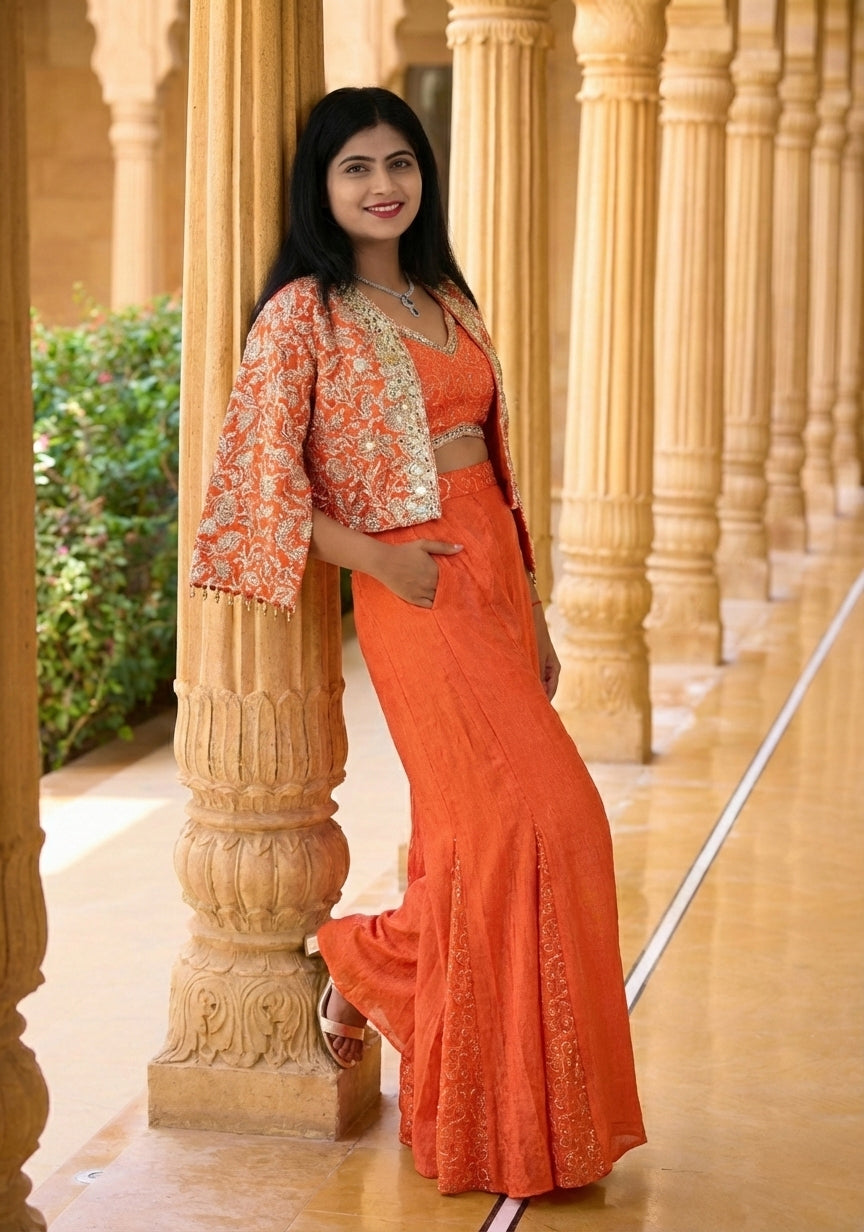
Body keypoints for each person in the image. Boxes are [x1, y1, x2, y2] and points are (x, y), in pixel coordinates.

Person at [190, 86, 645, 1200]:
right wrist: (376, 559)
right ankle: (364, 961)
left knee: (477, 840)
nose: (384, 184)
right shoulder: (304, 313)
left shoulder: (447, 297)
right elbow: (251, 485)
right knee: (547, 821)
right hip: (416, 589)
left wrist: (533, 604)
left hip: (493, 577)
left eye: (400, 162)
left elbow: (495, 462)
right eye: (356, 167)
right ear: (322, 185)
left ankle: (503, 1118)